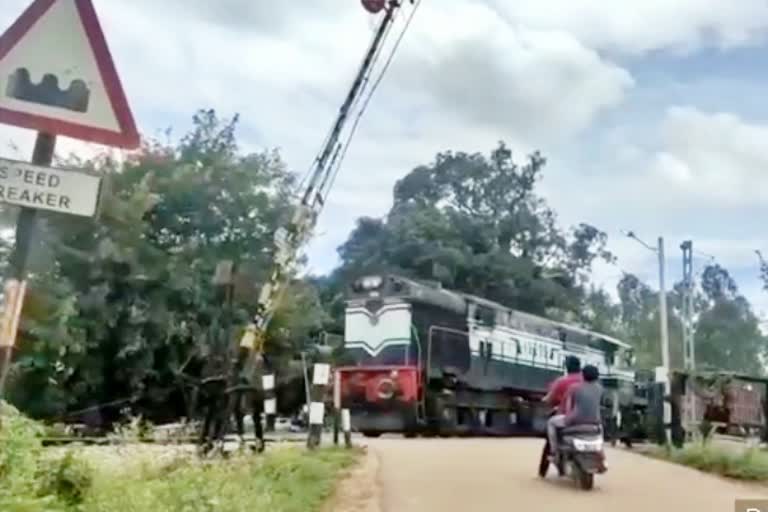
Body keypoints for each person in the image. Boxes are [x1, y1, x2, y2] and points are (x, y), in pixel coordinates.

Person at [543, 356, 582, 460]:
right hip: (586, 418)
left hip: (566, 416)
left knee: (551, 423)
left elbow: (549, 399)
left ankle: (553, 451)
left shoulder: (561, 381)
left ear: (567, 367)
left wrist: (545, 400)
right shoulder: (586, 382)